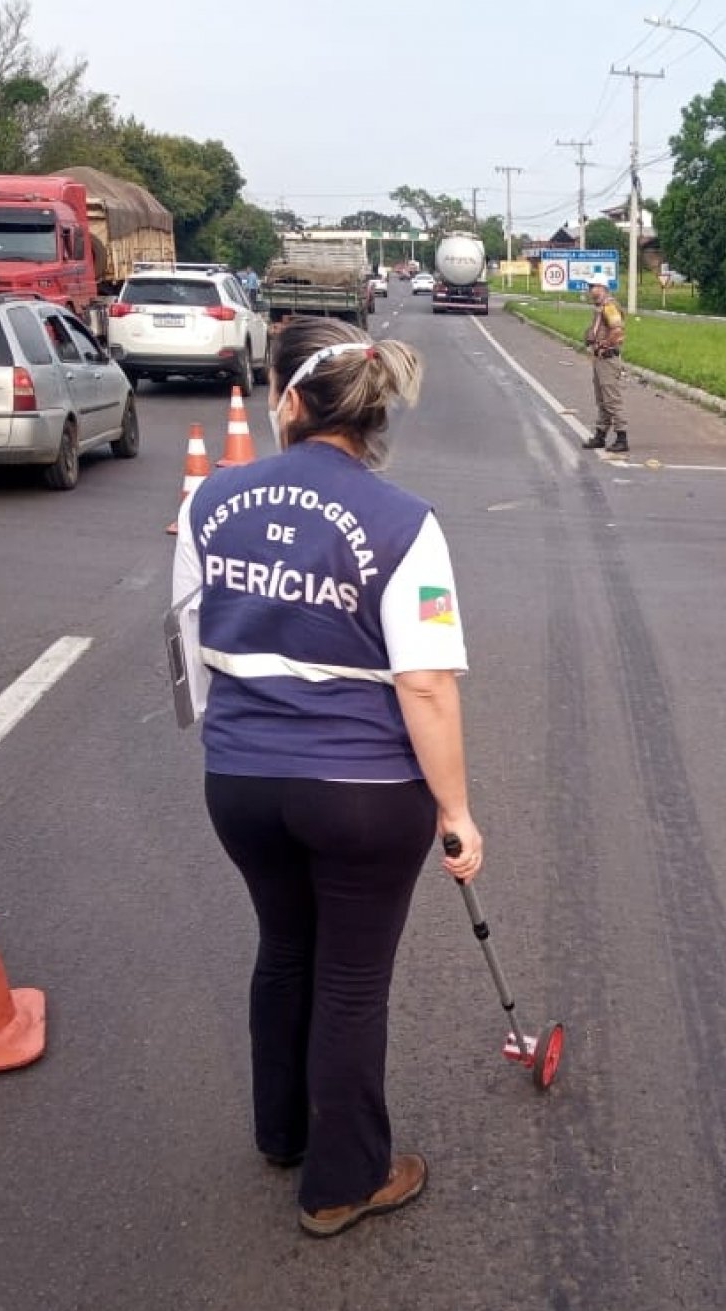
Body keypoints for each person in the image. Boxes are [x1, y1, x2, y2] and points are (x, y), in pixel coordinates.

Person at [170, 315, 483, 1239]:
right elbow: (424, 685)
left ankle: (282, 1133)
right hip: (362, 796)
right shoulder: (406, 523)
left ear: (289, 400)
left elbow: (189, 646)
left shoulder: (207, 502)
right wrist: (457, 811)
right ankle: (345, 1179)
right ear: (370, 410)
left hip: (241, 781)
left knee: (284, 949)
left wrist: (234, 746)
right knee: (351, 980)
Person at [582, 277, 627, 453]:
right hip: (600, 360)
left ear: (602, 287)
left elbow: (617, 331)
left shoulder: (610, 307)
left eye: (593, 286)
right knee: (602, 400)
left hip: (608, 359)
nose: (590, 290)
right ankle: (600, 435)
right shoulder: (600, 308)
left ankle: (622, 437)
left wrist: (604, 345)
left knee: (611, 400)